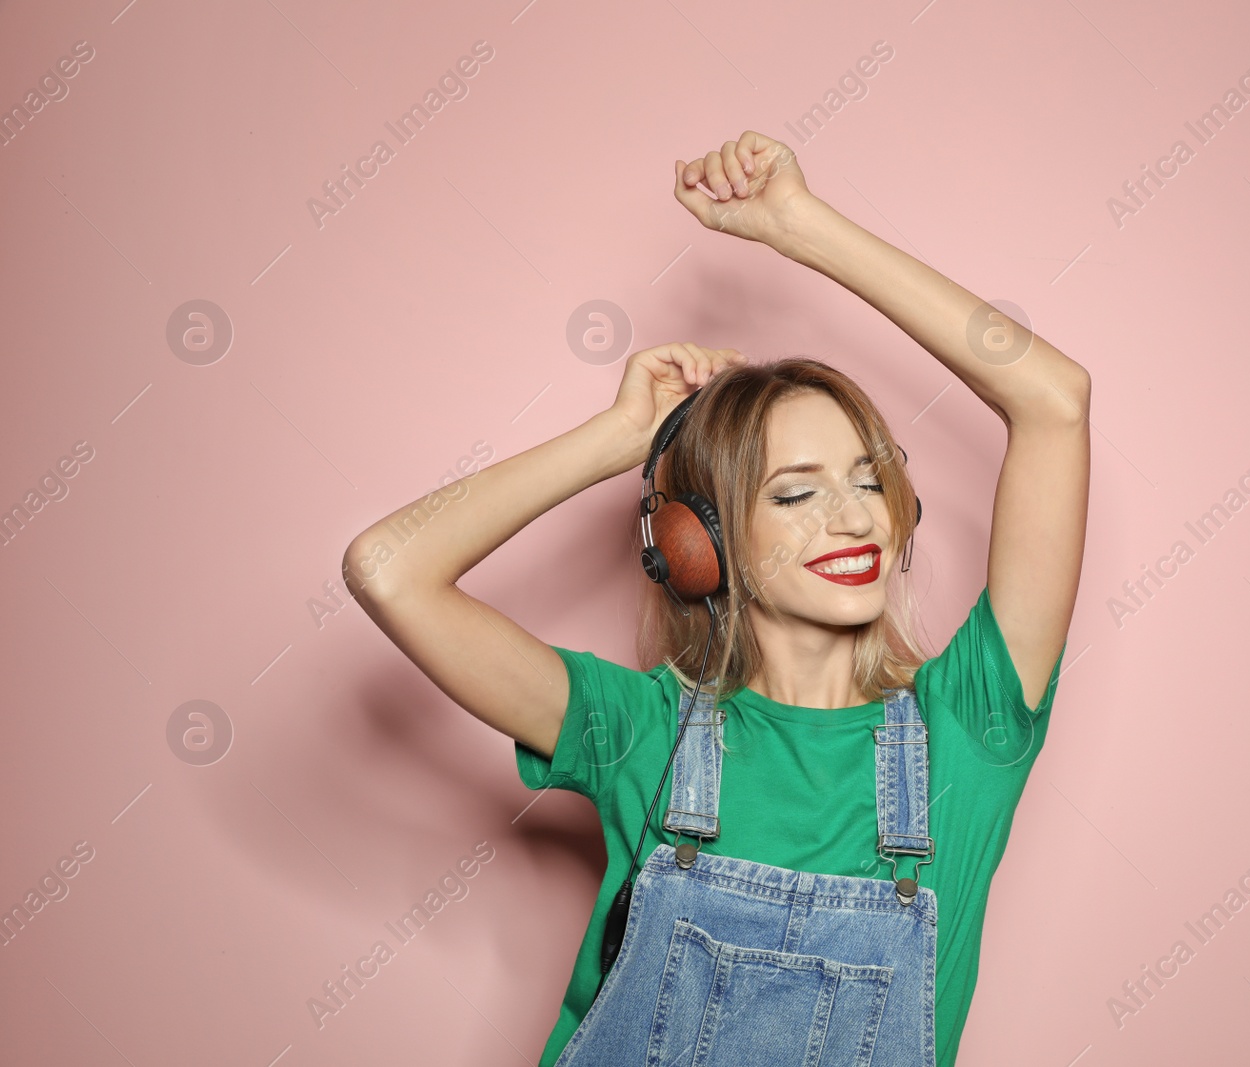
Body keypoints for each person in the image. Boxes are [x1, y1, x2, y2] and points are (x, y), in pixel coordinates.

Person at [343, 130, 1091, 1067]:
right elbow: (387, 568)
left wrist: (799, 227)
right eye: (794, 493)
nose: (852, 518)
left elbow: (1055, 397)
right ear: (703, 547)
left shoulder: (968, 734)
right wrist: (620, 438)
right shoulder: (638, 730)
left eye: (868, 480)